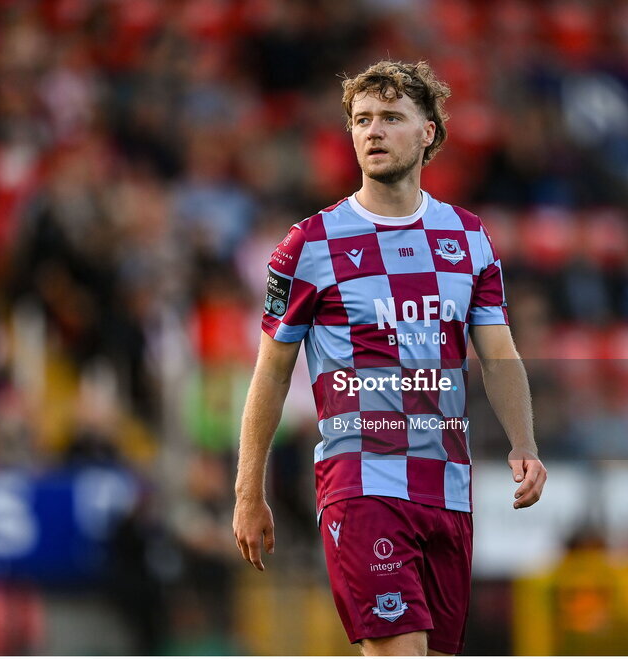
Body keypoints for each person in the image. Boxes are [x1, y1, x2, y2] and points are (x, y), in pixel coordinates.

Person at [233, 60, 545, 656]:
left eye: (391, 118)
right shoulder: (309, 245)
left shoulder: (469, 239)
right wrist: (250, 492)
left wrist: (523, 443)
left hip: (448, 487)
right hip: (361, 480)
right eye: (361, 119)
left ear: (428, 132)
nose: (372, 131)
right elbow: (270, 373)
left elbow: (499, 355)